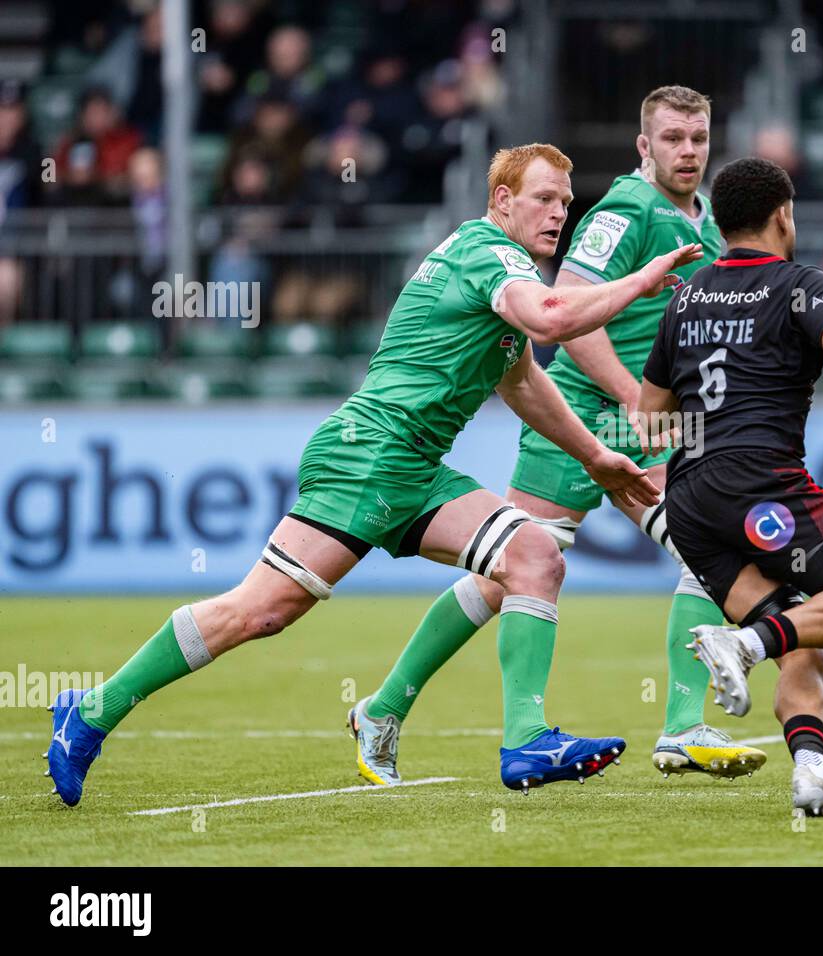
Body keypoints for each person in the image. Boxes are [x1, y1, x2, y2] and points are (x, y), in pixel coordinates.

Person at [44, 143, 701, 805]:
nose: (559, 212)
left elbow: (523, 380)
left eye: (566, 201)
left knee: (534, 555)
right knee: (261, 612)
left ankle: (526, 738)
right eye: (544, 198)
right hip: (367, 456)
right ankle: (94, 710)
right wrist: (641, 283)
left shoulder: (501, 270)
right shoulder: (488, 252)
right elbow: (552, 318)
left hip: (411, 465)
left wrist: (593, 454)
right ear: (503, 201)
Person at [351, 86, 769, 786]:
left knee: (708, 552)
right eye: (672, 138)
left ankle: (681, 728)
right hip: (587, 417)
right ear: (645, 146)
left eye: (698, 137)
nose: (688, 150)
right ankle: (387, 707)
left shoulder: (702, 220)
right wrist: (635, 397)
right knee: (507, 578)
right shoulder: (627, 210)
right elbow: (573, 310)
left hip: (659, 427)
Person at [637, 157, 823, 817]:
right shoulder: (800, 283)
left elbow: (647, 418)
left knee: (802, 636)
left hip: (690, 500)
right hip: (760, 484)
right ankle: (740, 645)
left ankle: (811, 769)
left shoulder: (687, 295)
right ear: (783, 215)